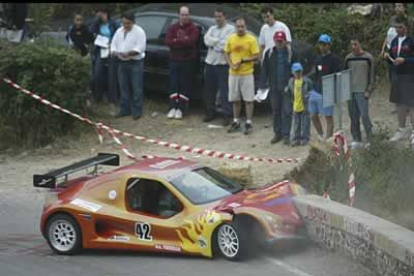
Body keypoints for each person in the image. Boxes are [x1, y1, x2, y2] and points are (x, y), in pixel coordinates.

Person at [224, 17, 259, 135]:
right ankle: (236, 121)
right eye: (238, 27)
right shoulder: (231, 38)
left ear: (245, 27)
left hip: (247, 73)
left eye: (242, 26)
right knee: (235, 99)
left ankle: (249, 122)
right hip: (233, 74)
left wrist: (244, 60)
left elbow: (256, 56)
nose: (240, 29)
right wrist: (231, 65)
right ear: (235, 27)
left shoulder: (251, 39)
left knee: (249, 99)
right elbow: (226, 52)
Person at [165, 6, 200, 120]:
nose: (184, 17)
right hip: (174, 60)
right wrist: (181, 40)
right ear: (178, 15)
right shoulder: (172, 28)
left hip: (187, 61)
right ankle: (172, 107)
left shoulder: (193, 28)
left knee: (185, 85)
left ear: (189, 15)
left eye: (186, 15)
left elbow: (190, 42)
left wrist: (177, 41)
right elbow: (168, 42)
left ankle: (181, 109)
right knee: (174, 84)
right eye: (182, 14)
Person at [384, 16, 414, 144]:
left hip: (410, 76)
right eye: (396, 27)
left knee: (411, 104)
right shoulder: (395, 41)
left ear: (406, 28)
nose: (398, 29)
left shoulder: (411, 41)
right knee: (400, 103)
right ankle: (401, 130)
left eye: (400, 27)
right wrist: (387, 57)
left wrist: (405, 60)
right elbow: (392, 59)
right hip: (397, 76)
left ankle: (413, 132)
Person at [110, 12, 146, 121]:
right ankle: (124, 109)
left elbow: (141, 48)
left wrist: (129, 53)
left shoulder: (139, 32)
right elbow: (113, 44)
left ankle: (137, 111)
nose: (126, 25)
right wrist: (114, 52)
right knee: (123, 87)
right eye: (124, 23)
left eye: (128, 23)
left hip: (135, 62)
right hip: (121, 62)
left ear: (133, 22)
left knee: (136, 87)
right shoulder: (119, 31)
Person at [202, 7, 235, 126]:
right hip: (210, 63)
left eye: (219, 16)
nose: (217, 19)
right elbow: (206, 41)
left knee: (225, 90)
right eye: (216, 16)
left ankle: (227, 114)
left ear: (224, 16)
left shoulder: (231, 30)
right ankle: (210, 112)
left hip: (223, 64)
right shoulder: (211, 28)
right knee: (209, 90)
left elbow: (226, 46)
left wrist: (214, 43)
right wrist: (217, 42)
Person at [380, 3, 414, 114]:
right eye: (396, 6)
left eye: (399, 6)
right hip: (391, 53)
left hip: (404, 52)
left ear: (404, 8)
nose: (397, 8)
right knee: (394, 78)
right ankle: (398, 103)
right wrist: (383, 49)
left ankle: (408, 104)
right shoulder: (392, 19)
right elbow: (387, 35)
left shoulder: (409, 20)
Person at [265, 31, 297, 145]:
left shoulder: (291, 53)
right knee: (275, 111)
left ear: (285, 41)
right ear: (274, 40)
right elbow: (265, 70)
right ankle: (277, 133)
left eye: (281, 41)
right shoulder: (269, 53)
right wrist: (262, 86)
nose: (279, 43)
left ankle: (286, 135)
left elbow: (296, 68)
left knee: (287, 111)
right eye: (277, 40)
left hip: (286, 87)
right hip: (274, 87)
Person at [309, 34, 342, 141]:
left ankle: (328, 140)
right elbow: (317, 72)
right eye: (320, 44)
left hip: (328, 91)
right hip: (316, 90)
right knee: (313, 116)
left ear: (329, 45)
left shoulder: (335, 59)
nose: (322, 47)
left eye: (324, 44)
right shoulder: (318, 59)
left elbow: (339, 76)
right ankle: (321, 135)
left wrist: (335, 93)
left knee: (328, 117)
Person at [344, 37, 375, 149]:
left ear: (360, 44)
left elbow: (372, 76)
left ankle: (371, 139)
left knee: (365, 116)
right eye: (352, 45)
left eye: (355, 44)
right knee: (353, 116)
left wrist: (369, 90)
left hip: (362, 91)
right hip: (351, 91)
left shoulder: (368, 58)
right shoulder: (348, 58)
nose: (353, 47)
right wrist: (345, 92)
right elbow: (345, 75)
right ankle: (357, 139)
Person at [89, 7, 120, 115]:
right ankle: (98, 96)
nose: (101, 15)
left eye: (102, 13)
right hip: (100, 51)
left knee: (112, 76)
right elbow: (90, 32)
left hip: (111, 51)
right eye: (99, 13)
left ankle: (112, 101)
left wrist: (113, 44)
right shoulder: (97, 24)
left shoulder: (114, 24)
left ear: (107, 14)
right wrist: (96, 19)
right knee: (97, 74)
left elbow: (119, 35)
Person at [257, 6, 292, 95]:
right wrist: (261, 60)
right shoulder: (264, 28)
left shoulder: (282, 27)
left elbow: (288, 46)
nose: (266, 19)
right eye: (264, 17)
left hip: (280, 59)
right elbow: (262, 46)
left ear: (272, 15)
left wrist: (288, 61)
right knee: (270, 87)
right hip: (268, 61)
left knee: (281, 87)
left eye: (268, 16)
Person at [285, 62, 313, 147]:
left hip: (305, 105)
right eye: (296, 72)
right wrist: (291, 100)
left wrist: (308, 98)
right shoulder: (291, 82)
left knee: (305, 122)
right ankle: (296, 139)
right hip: (295, 105)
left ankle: (305, 138)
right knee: (296, 123)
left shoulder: (307, 81)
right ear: (293, 72)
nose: (298, 73)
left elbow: (311, 91)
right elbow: (288, 92)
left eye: (299, 71)